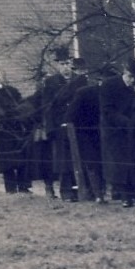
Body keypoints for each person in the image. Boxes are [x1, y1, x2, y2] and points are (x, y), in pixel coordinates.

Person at [37, 49, 85, 200]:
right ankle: (67, 192)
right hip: (60, 126)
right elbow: (47, 106)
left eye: (68, 63)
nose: (65, 67)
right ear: (57, 65)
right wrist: (51, 128)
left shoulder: (80, 80)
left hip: (77, 125)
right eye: (62, 64)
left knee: (80, 157)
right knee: (64, 160)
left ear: (71, 64)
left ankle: (82, 190)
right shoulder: (51, 82)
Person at [99, 60, 135, 207]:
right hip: (114, 131)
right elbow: (107, 110)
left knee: (133, 162)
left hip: (130, 130)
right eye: (129, 77)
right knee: (119, 165)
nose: (131, 81)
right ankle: (125, 196)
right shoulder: (109, 85)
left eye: (134, 78)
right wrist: (125, 122)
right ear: (124, 72)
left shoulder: (133, 89)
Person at [67, 69, 107, 203]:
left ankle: (105, 192)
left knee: (104, 162)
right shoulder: (85, 93)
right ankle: (97, 194)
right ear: (99, 81)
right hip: (87, 134)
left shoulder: (114, 93)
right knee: (92, 162)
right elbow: (71, 114)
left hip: (106, 134)